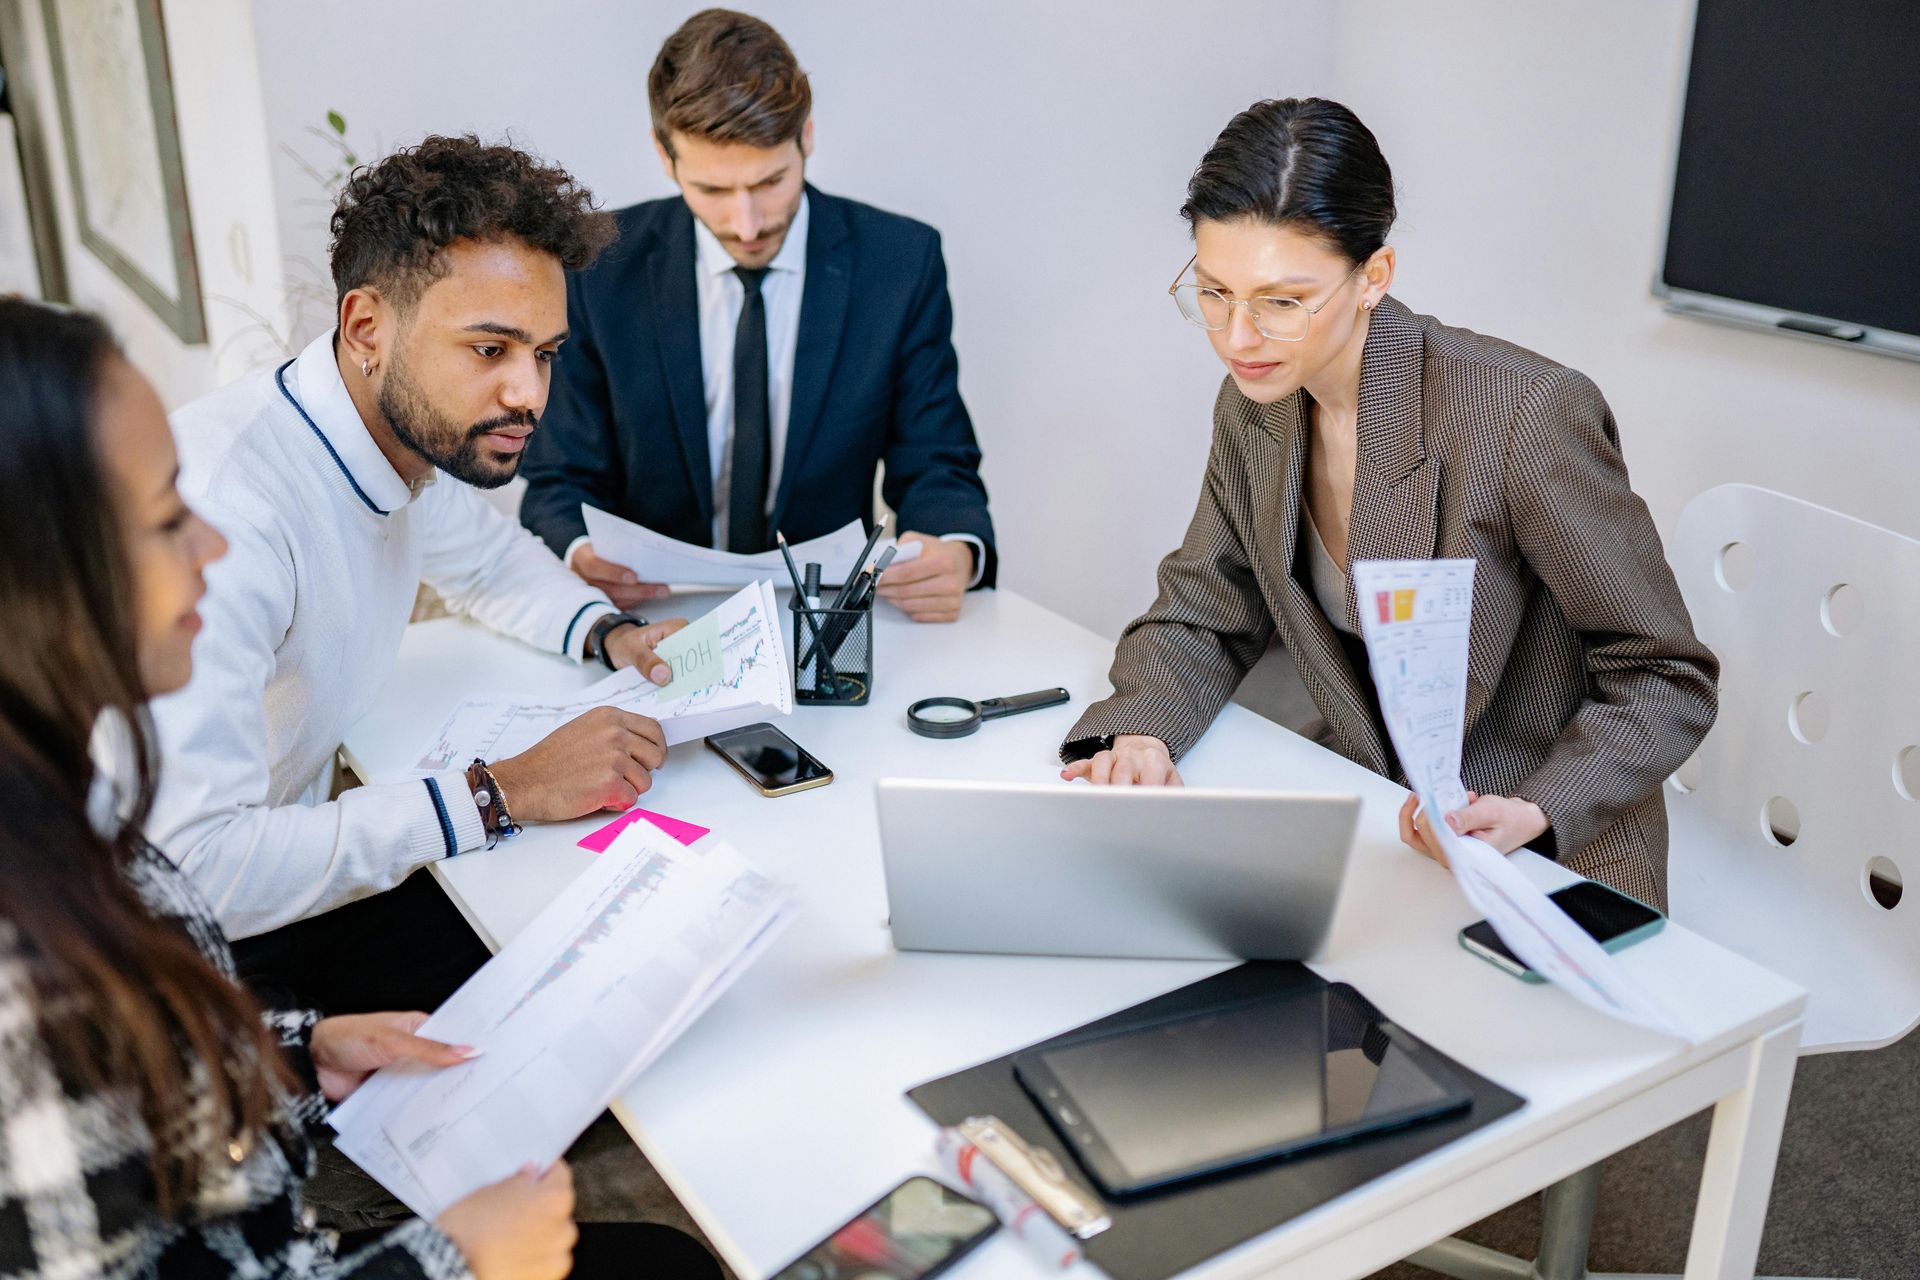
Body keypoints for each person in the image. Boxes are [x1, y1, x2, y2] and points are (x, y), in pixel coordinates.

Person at [0, 297, 720, 1280]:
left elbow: (487, 556)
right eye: (169, 517)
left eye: (544, 352)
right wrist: (455, 1257)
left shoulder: (59, 806)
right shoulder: (33, 987)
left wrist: (297, 1055)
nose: (210, 547)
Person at [1061, 99, 1717, 908]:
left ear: (1375, 275)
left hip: (1537, 837)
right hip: (1373, 808)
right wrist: (1142, 729)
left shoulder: (1524, 412)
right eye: (1214, 292)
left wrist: (1540, 811)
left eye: (1281, 301)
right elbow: (1207, 604)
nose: (1237, 337)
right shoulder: (1258, 402)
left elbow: (1664, 674)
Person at [148, 136, 691, 1015]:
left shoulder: (391, 436)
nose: (530, 395)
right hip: (177, 970)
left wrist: (607, 632)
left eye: (544, 353)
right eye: (490, 351)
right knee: (594, 988)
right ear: (367, 328)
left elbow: (486, 560)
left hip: (278, 882)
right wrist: (504, 790)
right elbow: (192, 873)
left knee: (624, 936)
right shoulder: (233, 519)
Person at [519, 8, 995, 625]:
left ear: (808, 138)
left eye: (771, 181)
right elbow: (559, 477)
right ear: (664, 157)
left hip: (822, 625)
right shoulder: (595, 267)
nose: (747, 225)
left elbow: (936, 459)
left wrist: (954, 550)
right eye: (713, 191)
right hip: (652, 625)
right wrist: (580, 554)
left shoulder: (899, 263)